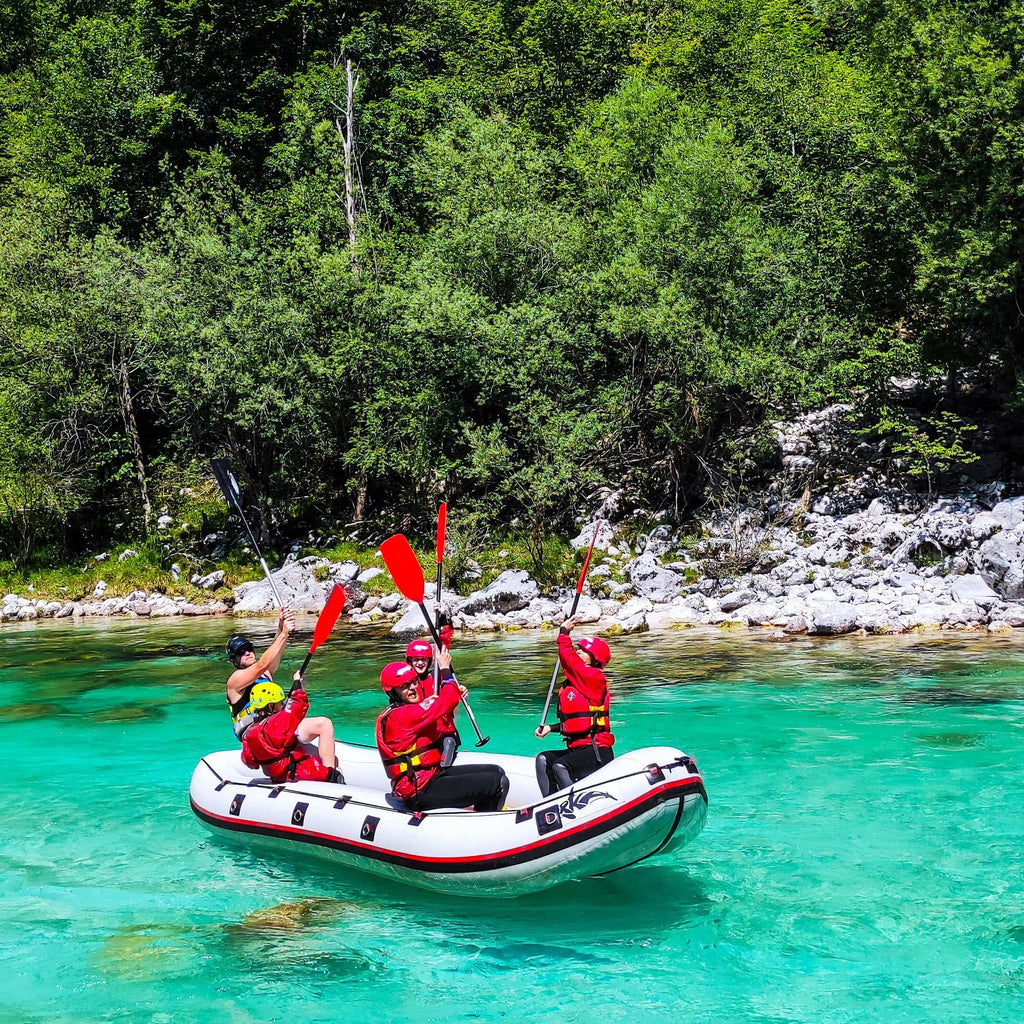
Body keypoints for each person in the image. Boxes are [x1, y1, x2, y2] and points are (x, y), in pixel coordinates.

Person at [376, 648, 508, 812]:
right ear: (392, 691)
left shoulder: (405, 711)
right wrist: (445, 669)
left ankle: (481, 810)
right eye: (405, 686)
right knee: (497, 782)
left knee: (496, 770)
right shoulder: (403, 715)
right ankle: (484, 828)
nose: (413, 688)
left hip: (430, 776)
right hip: (419, 790)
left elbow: (436, 704)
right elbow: (449, 700)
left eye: (414, 682)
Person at [225, 607, 336, 769]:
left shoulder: (266, 674)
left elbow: (272, 657)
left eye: (249, 648)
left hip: (279, 727)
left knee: (327, 744)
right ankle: (330, 777)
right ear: (233, 660)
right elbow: (262, 664)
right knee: (323, 724)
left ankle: (328, 770)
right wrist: (284, 633)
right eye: (241, 652)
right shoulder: (235, 681)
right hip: (261, 735)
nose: (247, 652)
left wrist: (281, 626)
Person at [533, 615, 615, 796]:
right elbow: (576, 721)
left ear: (594, 659)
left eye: (583, 651)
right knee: (543, 759)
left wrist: (563, 634)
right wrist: (550, 728)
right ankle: (548, 803)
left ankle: (573, 805)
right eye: (578, 649)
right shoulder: (575, 682)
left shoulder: (594, 678)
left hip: (597, 750)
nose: (578, 652)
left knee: (561, 766)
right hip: (577, 748)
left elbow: (569, 661)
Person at [241, 671, 342, 783]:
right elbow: (298, 706)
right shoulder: (277, 723)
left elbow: (251, 763)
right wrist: (297, 683)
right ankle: (331, 779)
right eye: (279, 702)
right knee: (333, 773)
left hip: (277, 775)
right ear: (271, 705)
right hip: (295, 772)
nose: (282, 704)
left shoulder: (250, 733)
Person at [405, 612, 459, 765]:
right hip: (421, 733)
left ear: (430, 661)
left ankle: (444, 773)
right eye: (416, 660)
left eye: (423, 659)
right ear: (410, 661)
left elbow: (443, 647)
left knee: (448, 743)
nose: (420, 663)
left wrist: (443, 620)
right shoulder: (405, 684)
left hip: (443, 733)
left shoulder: (436, 676)